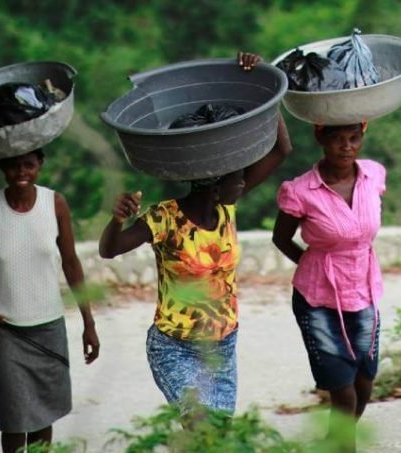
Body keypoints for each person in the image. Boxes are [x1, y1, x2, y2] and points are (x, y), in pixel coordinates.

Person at [98, 53, 293, 414]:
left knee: (215, 436)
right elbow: (109, 250)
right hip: (175, 346)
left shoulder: (226, 207)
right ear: (217, 182)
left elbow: (282, 149)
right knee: (199, 423)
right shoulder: (165, 218)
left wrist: (263, 92)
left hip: (222, 347)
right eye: (239, 175)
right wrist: (117, 219)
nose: (244, 182)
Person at [0, 149, 100, 453]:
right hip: (5, 328)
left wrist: (89, 323)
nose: (21, 172)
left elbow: (71, 262)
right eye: (13, 166)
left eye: (29, 165)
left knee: (44, 412)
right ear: (2, 166)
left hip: (48, 327)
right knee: (14, 418)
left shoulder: (55, 204)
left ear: (40, 164)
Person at [272, 121, 384, 451]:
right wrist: (315, 266)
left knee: (364, 382)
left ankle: (333, 443)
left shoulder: (373, 175)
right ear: (321, 139)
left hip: (364, 292)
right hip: (318, 300)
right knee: (343, 390)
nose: (346, 146)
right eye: (337, 139)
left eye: (354, 138)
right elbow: (281, 238)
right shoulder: (301, 191)